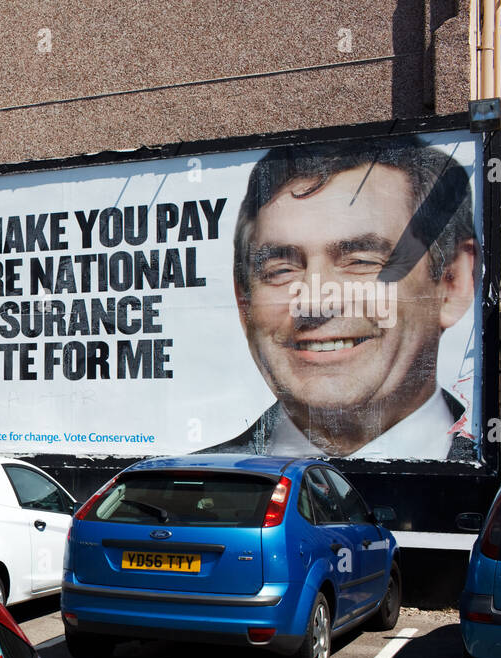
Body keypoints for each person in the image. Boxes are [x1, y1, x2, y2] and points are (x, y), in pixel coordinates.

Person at [204, 135, 479, 460]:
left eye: (361, 261)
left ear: (453, 281)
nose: (315, 303)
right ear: (243, 301)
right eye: (281, 270)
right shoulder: (197, 484)